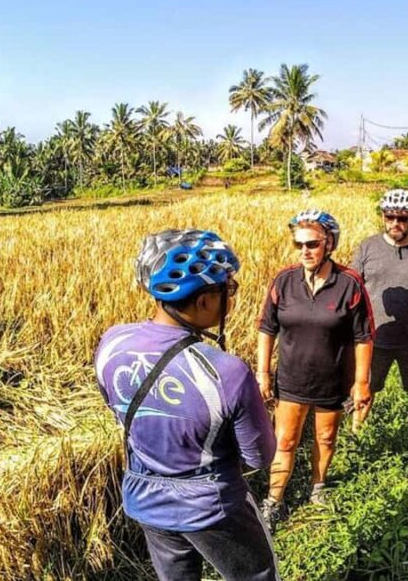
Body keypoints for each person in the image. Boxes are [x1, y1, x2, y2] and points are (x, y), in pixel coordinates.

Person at [94, 229, 279, 581]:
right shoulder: (227, 372)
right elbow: (259, 457)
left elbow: (116, 407)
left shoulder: (111, 343)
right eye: (229, 289)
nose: (232, 297)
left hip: (146, 501)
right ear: (205, 301)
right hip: (214, 508)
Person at [257, 209, 374, 529]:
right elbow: (266, 328)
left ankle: (317, 487)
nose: (305, 251)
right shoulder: (284, 280)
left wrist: (361, 382)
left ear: (330, 244)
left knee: (325, 438)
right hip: (292, 379)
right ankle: (274, 500)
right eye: (299, 245)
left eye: (312, 244)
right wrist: (263, 372)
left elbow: (363, 336)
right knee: (285, 441)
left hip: (332, 380)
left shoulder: (349, 284)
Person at [350, 189, 408, 438]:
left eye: (402, 218)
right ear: (383, 216)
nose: (395, 223)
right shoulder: (367, 247)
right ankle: (355, 438)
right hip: (373, 339)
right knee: (365, 389)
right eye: (390, 217)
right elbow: (351, 290)